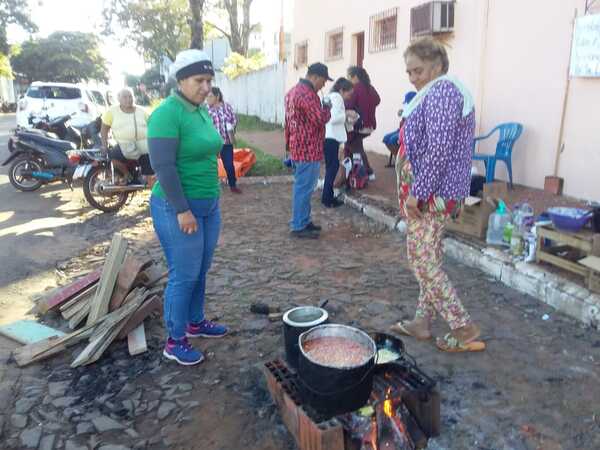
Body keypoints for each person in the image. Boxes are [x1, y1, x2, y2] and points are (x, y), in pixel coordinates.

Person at [391, 37, 484, 353]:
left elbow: (439, 149)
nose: (413, 78)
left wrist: (418, 192)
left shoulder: (443, 91)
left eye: (418, 70)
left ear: (437, 65)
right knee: (429, 257)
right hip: (434, 193)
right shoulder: (435, 93)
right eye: (409, 72)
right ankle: (422, 321)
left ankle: (462, 325)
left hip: (432, 195)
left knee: (421, 262)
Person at [147, 49, 228, 366]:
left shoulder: (200, 111)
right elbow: (163, 166)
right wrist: (182, 209)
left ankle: (196, 322)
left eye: (209, 80)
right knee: (184, 274)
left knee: (200, 270)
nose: (206, 87)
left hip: (208, 205)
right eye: (199, 80)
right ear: (180, 80)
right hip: (177, 206)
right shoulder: (167, 113)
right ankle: (175, 339)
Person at [284, 62, 332, 239]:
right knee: (304, 188)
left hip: (299, 146)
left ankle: (303, 220)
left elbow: (288, 123)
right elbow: (319, 119)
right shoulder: (307, 94)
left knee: (304, 187)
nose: (324, 85)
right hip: (308, 149)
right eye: (324, 81)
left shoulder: (292, 92)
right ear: (315, 77)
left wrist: (288, 147)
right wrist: (327, 107)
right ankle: (298, 225)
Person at [100, 87, 155, 186]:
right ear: (119, 99)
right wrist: (104, 144)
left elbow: (154, 124)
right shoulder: (112, 112)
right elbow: (104, 129)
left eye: (130, 96)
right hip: (124, 145)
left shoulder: (142, 111)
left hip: (144, 146)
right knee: (112, 157)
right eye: (125, 97)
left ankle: (153, 195)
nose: (128, 99)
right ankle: (128, 175)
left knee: (150, 175)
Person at [345, 66, 380, 181]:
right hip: (369, 125)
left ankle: (368, 172)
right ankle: (350, 172)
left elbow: (348, 105)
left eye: (349, 77)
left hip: (358, 125)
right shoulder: (370, 87)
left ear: (355, 77)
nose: (348, 80)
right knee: (351, 145)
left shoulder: (355, 88)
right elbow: (377, 100)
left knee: (355, 147)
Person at [322, 77, 353, 208]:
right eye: (348, 94)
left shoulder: (331, 96)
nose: (349, 97)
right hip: (331, 137)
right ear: (342, 90)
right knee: (332, 168)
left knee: (331, 167)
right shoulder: (337, 98)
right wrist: (347, 114)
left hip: (328, 136)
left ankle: (327, 196)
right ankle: (328, 198)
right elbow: (333, 118)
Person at [207, 87, 242, 194]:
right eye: (207, 97)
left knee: (229, 165)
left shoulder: (227, 107)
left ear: (217, 96)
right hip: (212, 144)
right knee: (211, 165)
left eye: (210, 96)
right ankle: (211, 187)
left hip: (226, 142)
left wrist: (231, 126)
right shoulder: (206, 110)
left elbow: (234, 120)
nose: (208, 99)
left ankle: (232, 185)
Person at [382, 91, 417, 167]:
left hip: (407, 131)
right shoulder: (408, 107)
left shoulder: (417, 108)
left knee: (393, 140)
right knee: (386, 138)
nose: (406, 104)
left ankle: (400, 158)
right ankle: (396, 155)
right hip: (400, 129)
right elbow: (401, 115)